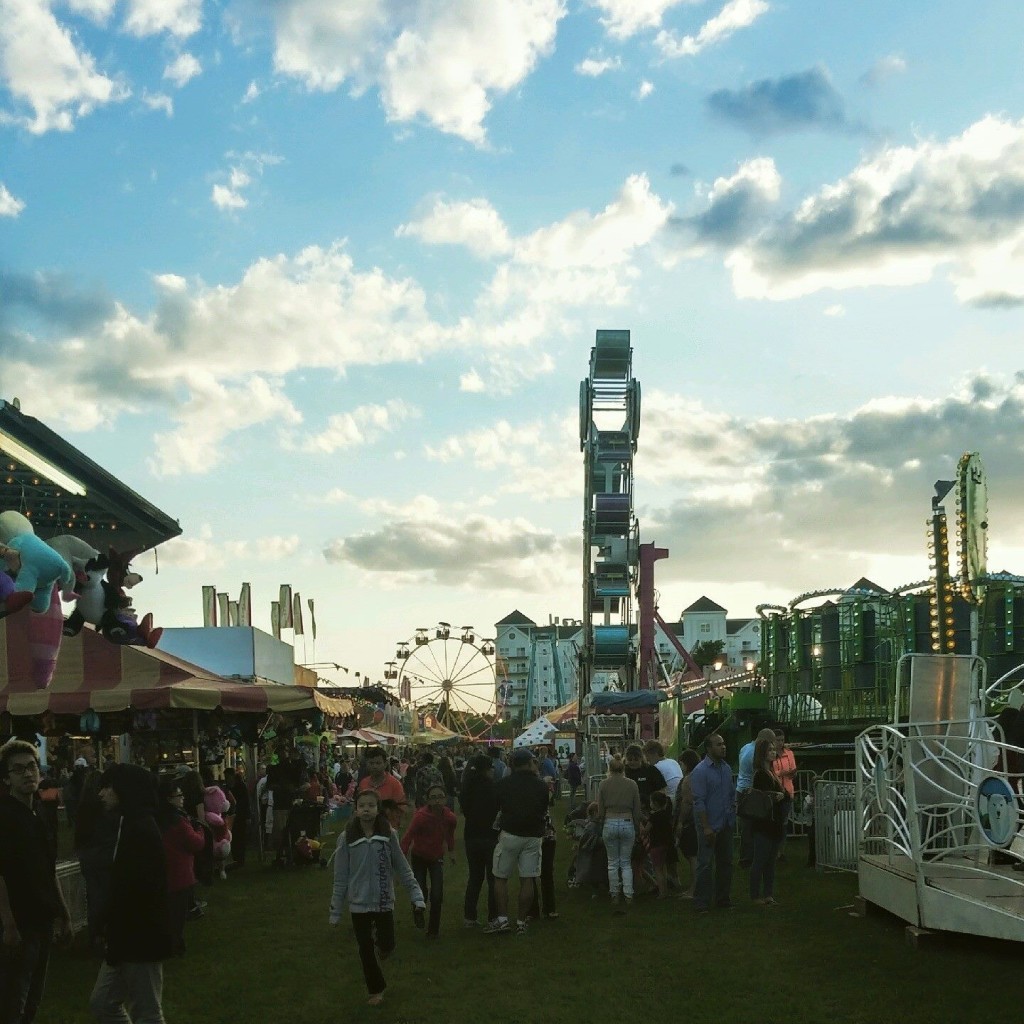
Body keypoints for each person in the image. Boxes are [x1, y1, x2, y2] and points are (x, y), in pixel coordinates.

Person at [90, 764, 174, 1024]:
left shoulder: (141, 830)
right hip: (124, 937)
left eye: (107, 787)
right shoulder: (130, 824)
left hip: (140, 937)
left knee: (146, 1011)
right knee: (102, 1003)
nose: (101, 794)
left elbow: (139, 892)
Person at [329, 789, 425, 1007]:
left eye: (371, 806)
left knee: (387, 944)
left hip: (383, 901)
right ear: (355, 810)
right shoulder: (347, 838)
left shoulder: (388, 835)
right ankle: (376, 990)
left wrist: (417, 896)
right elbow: (340, 878)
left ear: (378, 809)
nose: (366, 810)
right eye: (361, 805)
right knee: (365, 948)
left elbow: (403, 867)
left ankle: (384, 947)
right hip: (358, 904)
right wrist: (335, 911)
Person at [0, 740, 73, 1024]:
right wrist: (7, 923)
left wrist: (64, 914)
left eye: (31, 766)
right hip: (18, 922)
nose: (28, 773)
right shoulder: (5, 817)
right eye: (18, 770)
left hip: (42, 919)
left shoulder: (42, 814)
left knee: (32, 998)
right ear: (7, 778)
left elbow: (49, 869)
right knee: (11, 1000)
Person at [484, 747, 549, 935]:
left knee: (500, 877)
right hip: (533, 835)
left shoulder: (503, 784)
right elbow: (544, 807)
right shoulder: (541, 786)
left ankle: (503, 919)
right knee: (528, 878)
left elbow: (496, 807)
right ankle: (521, 920)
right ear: (530, 763)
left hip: (510, 833)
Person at [156, 777, 205, 956]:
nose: (182, 798)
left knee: (167, 913)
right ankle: (174, 945)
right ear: (170, 798)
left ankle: (168, 943)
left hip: (164, 872)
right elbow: (195, 843)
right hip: (180, 873)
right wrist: (200, 830)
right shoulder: (178, 821)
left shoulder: (157, 818)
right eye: (179, 795)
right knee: (177, 916)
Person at [400, 784, 456, 938]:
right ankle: (417, 910)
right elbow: (408, 835)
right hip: (419, 856)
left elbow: (450, 834)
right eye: (433, 798)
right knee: (420, 890)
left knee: (437, 894)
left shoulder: (449, 817)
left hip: (436, 857)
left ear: (445, 798)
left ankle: (433, 930)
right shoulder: (421, 816)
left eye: (440, 797)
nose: (437, 801)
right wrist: (401, 855)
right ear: (427, 801)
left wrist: (451, 851)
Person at [689, 733, 736, 914]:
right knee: (705, 864)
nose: (723, 747)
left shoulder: (725, 768)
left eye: (724, 743)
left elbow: (730, 795)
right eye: (718, 744)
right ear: (708, 748)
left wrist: (731, 814)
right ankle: (701, 902)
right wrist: (706, 826)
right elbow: (698, 801)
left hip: (725, 823)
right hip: (709, 824)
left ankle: (723, 899)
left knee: (726, 863)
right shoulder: (700, 771)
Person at [596, 756, 642, 913]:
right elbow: (637, 809)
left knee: (612, 862)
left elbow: (600, 809)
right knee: (626, 862)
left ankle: (614, 894)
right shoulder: (632, 784)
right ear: (623, 769)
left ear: (609, 769)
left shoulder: (603, 784)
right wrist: (637, 826)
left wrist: (600, 822)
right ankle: (629, 894)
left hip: (609, 821)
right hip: (627, 821)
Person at [750, 735, 792, 906]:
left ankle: (768, 894)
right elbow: (764, 796)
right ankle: (755, 895)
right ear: (762, 753)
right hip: (764, 823)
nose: (774, 752)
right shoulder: (761, 774)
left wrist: (783, 795)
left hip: (774, 823)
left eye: (774, 749)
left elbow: (785, 795)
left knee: (770, 862)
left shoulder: (772, 773)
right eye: (770, 750)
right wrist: (779, 796)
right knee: (760, 860)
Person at [459, 754, 499, 928]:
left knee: (475, 877)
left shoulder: (467, 787)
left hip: (471, 835)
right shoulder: (493, 788)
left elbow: (466, 810)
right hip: (490, 836)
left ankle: (469, 916)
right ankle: (493, 916)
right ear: (487, 769)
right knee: (493, 878)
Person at [736, 728, 776, 868]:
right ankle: (747, 859)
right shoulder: (755, 753)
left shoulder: (745, 747)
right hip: (750, 792)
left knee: (747, 827)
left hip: (741, 789)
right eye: (770, 742)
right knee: (750, 827)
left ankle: (748, 857)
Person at [673, 749, 701, 899]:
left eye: (681, 764)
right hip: (701, 819)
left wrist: (680, 822)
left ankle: (694, 889)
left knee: (692, 856)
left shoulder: (688, 779)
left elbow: (686, 802)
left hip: (690, 822)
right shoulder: (701, 776)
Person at [772, 729, 797, 861]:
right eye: (778, 740)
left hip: (787, 791)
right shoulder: (771, 755)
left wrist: (791, 772)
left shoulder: (789, 754)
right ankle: (773, 850)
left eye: (782, 740)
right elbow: (772, 772)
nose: (780, 743)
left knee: (783, 823)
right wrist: (781, 773)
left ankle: (780, 852)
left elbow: (793, 769)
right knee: (774, 823)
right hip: (775, 791)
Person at [646, 790, 673, 899]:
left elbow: (647, 829)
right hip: (665, 844)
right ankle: (666, 890)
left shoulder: (654, 816)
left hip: (655, 845)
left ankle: (662, 893)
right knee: (663, 868)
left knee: (657, 869)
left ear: (655, 803)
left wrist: (640, 825)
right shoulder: (666, 814)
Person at [223, 766, 250, 868]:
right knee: (235, 837)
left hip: (240, 814)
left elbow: (245, 802)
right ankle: (236, 858)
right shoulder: (232, 786)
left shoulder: (239, 786)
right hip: (235, 815)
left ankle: (239, 859)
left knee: (239, 837)